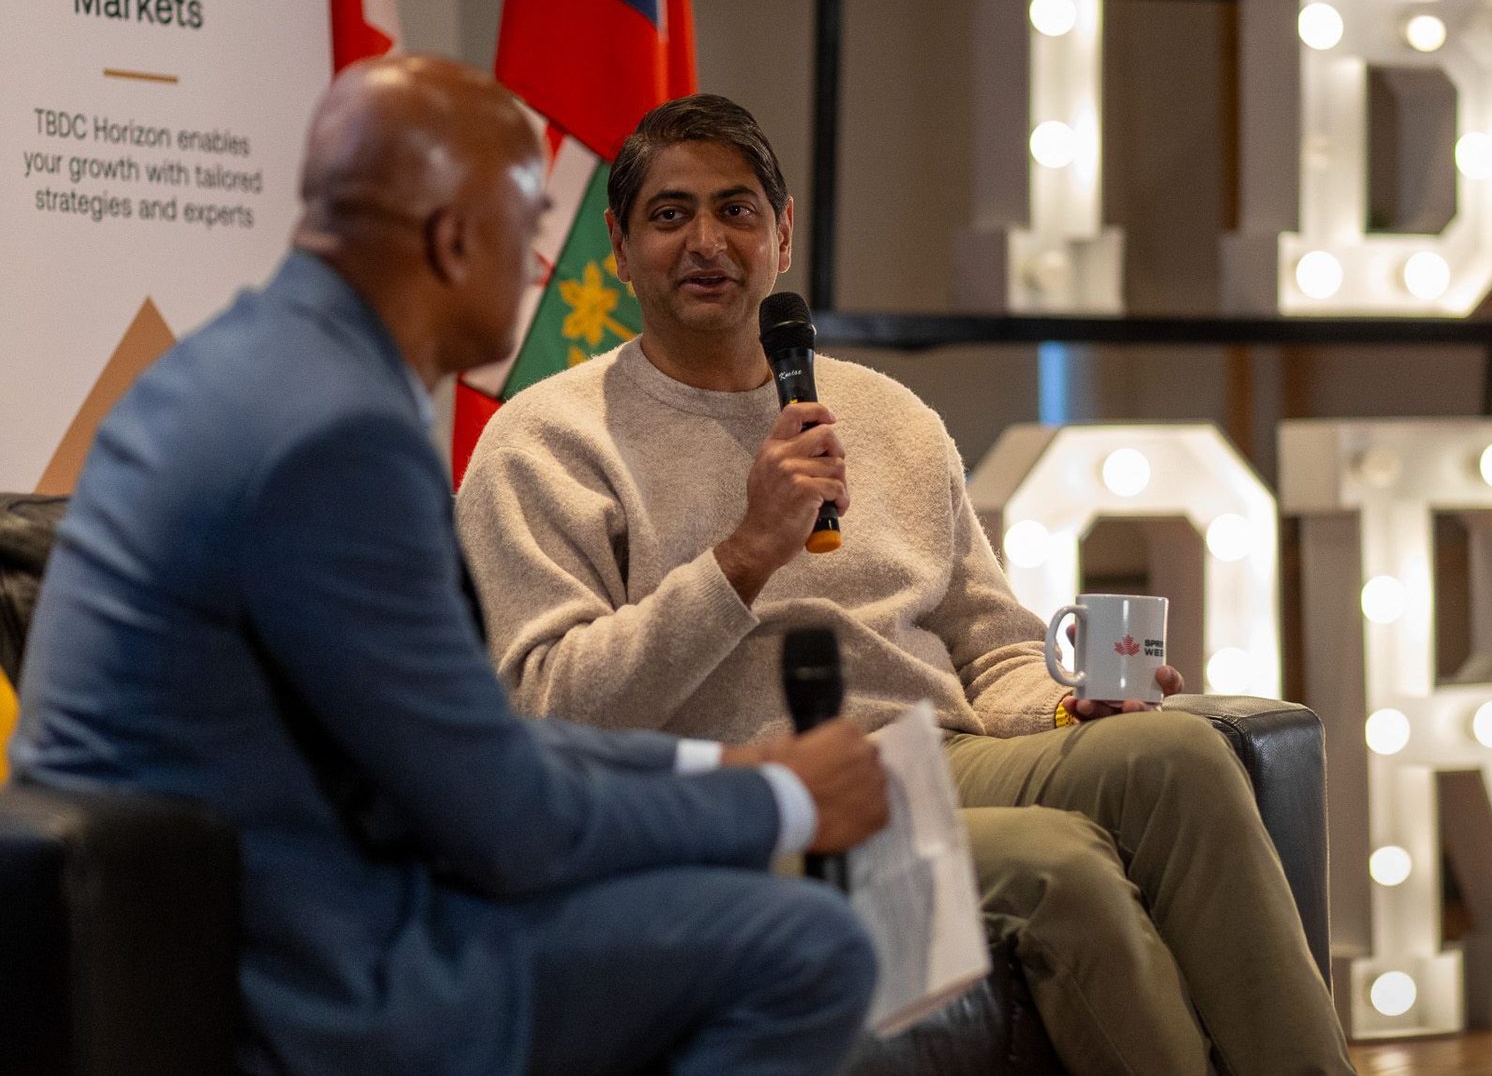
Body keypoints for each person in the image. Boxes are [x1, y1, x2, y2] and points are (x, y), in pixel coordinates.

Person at [10, 58, 889, 1076]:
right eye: (528, 229)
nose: (538, 271)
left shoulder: (247, 369)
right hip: (309, 972)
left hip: (257, 903)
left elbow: (464, 743)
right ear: (452, 238)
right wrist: (779, 802)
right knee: (808, 947)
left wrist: (730, 768)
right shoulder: (333, 436)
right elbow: (505, 821)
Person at [455, 92, 1357, 1076]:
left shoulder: (888, 415)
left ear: (784, 235)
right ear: (619, 248)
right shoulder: (545, 440)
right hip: (755, 794)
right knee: (1059, 867)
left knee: (1179, 754)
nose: (707, 240)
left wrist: (1063, 706)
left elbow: (990, 640)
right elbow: (548, 708)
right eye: (671, 216)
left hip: (940, 757)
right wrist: (745, 553)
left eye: (737, 210)